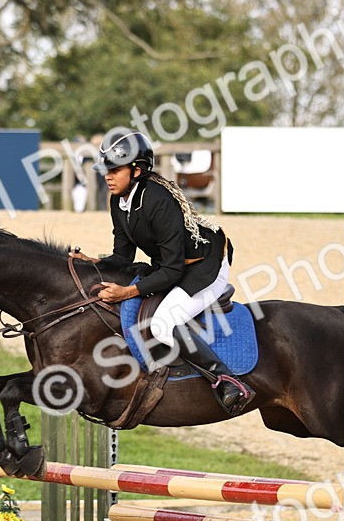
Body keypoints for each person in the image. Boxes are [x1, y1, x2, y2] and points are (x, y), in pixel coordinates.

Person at [70, 130, 254, 415]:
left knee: (163, 323)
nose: (107, 176)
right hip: (173, 264)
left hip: (206, 266)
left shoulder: (158, 199)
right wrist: (92, 262)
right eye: (106, 170)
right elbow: (122, 257)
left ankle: (227, 380)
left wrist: (127, 292)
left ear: (137, 170)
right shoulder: (119, 201)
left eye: (115, 170)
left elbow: (173, 269)